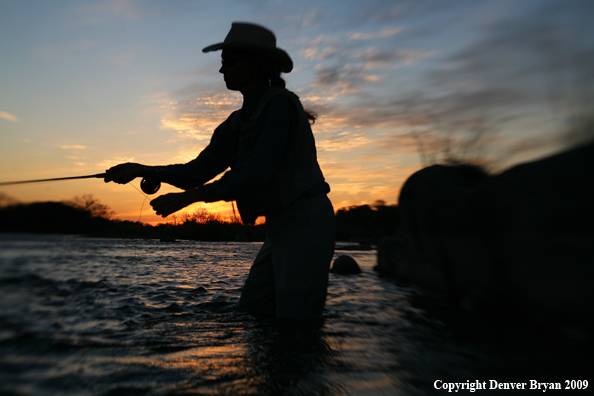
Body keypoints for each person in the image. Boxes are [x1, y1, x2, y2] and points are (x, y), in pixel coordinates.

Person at [104, 22, 335, 321]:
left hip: (306, 221)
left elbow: (255, 173)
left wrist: (191, 198)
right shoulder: (235, 124)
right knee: (253, 312)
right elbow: (196, 171)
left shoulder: (280, 106)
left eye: (229, 63)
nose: (221, 71)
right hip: (281, 225)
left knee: (296, 322)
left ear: (254, 65)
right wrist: (141, 169)